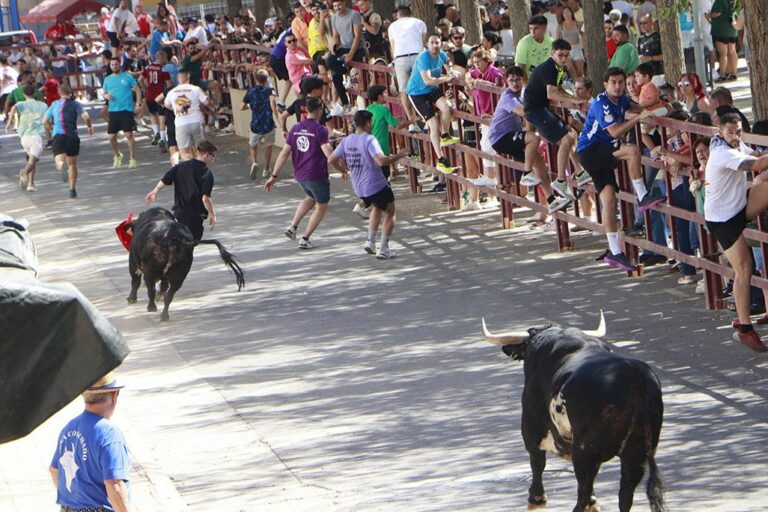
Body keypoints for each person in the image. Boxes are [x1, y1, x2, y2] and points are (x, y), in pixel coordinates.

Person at [575, 67, 664, 272]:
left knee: (609, 199)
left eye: (620, 82)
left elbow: (637, 106)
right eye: (613, 83)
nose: (617, 86)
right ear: (605, 85)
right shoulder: (601, 103)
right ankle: (642, 196)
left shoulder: (621, 99)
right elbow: (615, 131)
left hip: (598, 151)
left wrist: (658, 103)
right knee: (632, 150)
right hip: (591, 150)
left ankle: (615, 252)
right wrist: (636, 119)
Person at [703, 113, 768, 351]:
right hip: (723, 220)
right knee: (745, 269)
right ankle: (745, 328)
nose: (735, 136)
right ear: (720, 131)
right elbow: (757, 165)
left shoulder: (735, 144)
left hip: (739, 205)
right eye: (730, 132)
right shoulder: (722, 153)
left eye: (738, 131)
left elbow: (757, 157)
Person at [488, 66, 569, 214]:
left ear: (523, 80)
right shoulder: (508, 97)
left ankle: (551, 200)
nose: (515, 83)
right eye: (511, 80)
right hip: (500, 137)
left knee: (539, 162)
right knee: (533, 137)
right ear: (506, 81)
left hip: (513, 135)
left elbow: (530, 117)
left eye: (518, 80)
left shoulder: (524, 94)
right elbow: (524, 112)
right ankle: (526, 173)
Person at [329, 109, 409, 258]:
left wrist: (343, 170)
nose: (371, 125)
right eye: (371, 122)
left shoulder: (346, 140)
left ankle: (370, 242)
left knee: (378, 207)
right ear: (367, 123)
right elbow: (381, 161)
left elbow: (331, 159)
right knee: (391, 211)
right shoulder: (369, 139)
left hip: (359, 187)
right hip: (376, 183)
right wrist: (399, 155)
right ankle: (383, 249)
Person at [50, 372, 131, 512]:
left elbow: (54, 470)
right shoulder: (110, 434)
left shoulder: (69, 427)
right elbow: (114, 483)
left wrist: (76, 501)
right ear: (113, 396)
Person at [524, 39, 591, 202]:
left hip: (542, 108)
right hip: (536, 110)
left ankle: (580, 172)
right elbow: (551, 94)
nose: (563, 59)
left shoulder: (558, 68)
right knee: (566, 139)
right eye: (560, 55)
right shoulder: (549, 68)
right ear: (552, 53)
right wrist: (575, 101)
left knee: (572, 135)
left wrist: (572, 98)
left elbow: (559, 90)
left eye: (566, 56)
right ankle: (561, 180)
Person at [264, 97, 335, 250]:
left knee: (311, 197)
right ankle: (305, 238)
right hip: (317, 174)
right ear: (319, 111)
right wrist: (342, 168)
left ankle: (293, 226)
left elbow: (284, 153)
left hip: (300, 175)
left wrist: (274, 176)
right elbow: (329, 154)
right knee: (321, 206)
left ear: (306, 110)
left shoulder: (295, 128)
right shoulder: (321, 129)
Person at [406, 33, 460, 173]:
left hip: (431, 90)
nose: (435, 45)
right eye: (432, 43)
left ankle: (445, 135)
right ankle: (441, 160)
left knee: (447, 106)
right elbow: (427, 80)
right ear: (427, 44)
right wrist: (446, 78)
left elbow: (448, 63)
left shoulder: (442, 54)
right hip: (417, 92)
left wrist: (451, 71)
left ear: (440, 44)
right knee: (433, 124)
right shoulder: (423, 57)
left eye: (437, 42)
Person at [145, 140, 218, 241]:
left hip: (179, 215)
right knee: (191, 243)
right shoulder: (206, 173)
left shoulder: (180, 167)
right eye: (213, 155)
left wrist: (155, 191)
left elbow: (165, 180)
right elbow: (205, 199)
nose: (213, 158)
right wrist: (213, 215)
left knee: (177, 242)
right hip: (194, 218)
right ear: (206, 155)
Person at [43, 83, 94, 198]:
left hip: (59, 135)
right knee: (73, 164)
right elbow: (86, 116)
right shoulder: (75, 104)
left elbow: (44, 121)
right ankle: (72, 189)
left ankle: (62, 166)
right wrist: (89, 127)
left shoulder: (54, 104)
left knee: (59, 161)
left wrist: (51, 129)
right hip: (72, 136)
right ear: (70, 92)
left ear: (59, 92)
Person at [388, 5, 426, 133]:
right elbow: (422, 40)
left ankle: (412, 122)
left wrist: (394, 60)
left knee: (403, 90)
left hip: (400, 58)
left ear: (398, 14)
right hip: (417, 56)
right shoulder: (419, 23)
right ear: (410, 13)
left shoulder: (392, 26)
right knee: (422, 86)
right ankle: (425, 118)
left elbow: (392, 46)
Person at [5, 85, 48, 192]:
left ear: (24, 94)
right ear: (35, 93)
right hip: (36, 136)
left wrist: (9, 123)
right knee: (33, 159)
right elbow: (46, 121)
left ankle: (30, 184)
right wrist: (51, 133)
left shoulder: (21, 104)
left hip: (24, 137)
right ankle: (25, 172)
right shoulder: (43, 105)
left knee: (31, 160)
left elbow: (13, 108)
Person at [163, 69, 211, 161]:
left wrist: (175, 109)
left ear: (178, 79)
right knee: (200, 149)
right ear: (188, 78)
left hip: (181, 123)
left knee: (184, 152)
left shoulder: (172, 92)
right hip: (196, 121)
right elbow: (206, 102)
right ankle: (200, 166)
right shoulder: (196, 89)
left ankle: (189, 165)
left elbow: (166, 104)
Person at [102, 57, 141, 168]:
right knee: (111, 137)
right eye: (112, 65)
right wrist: (106, 95)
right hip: (113, 110)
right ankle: (118, 155)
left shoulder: (127, 77)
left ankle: (132, 159)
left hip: (126, 109)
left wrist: (137, 104)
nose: (114, 66)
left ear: (120, 65)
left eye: (116, 64)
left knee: (128, 134)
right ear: (110, 66)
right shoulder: (107, 79)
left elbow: (137, 89)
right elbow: (104, 92)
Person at [241, 69, 278, 180]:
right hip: (268, 124)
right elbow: (273, 102)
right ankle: (266, 169)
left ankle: (254, 162)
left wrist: (250, 105)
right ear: (266, 79)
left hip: (255, 124)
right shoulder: (270, 91)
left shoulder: (250, 91)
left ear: (255, 79)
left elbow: (241, 107)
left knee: (253, 146)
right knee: (268, 146)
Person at [327, 0, 363, 111]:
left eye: (339, 5)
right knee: (331, 63)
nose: (337, 8)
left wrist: (351, 54)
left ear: (343, 4)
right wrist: (334, 48)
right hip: (343, 47)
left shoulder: (354, 14)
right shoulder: (334, 18)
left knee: (343, 71)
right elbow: (336, 36)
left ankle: (350, 76)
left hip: (357, 47)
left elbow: (357, 36)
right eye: (335, 6)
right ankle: (345, 102)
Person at [140, 50, 172, 147]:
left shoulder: (147, 67)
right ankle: (162, 138)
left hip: (150, 95)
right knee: (162, 116)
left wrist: (145, 89)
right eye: (165, 58)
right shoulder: (163, 69)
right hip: (160, 96)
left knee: (152, 114)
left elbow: (140, 79)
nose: (166, 60)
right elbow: (169, 84)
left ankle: (156, 132)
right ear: (161, 58)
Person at [706, 0, 738, 81]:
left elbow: (717, 13)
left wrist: (708, 16)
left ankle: (722, 75)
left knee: (723, 53)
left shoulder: (720, 1)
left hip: (721, 30)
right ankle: (733, 73)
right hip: (732, 30)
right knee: (732, 51)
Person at [556, 6, 584, 78]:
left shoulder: (578, 23)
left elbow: (584, 36)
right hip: (566, 50)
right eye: (564, 13)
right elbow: (557, 40)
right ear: (562, 15)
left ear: (571, 13)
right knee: (571, 70)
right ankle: (575, 84)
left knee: (580, 72)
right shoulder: (560, 26)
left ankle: (580, 83)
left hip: (577, 48)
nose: (566, 14)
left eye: (568, 12)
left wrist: (586, 49)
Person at [637, 14, 664, 84]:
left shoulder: (659, 37)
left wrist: (651, 58)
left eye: (645, 23)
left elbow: (666, 56)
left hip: (657, 73)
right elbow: (639, 55)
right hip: (645, 75)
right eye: (640, 23)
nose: (642, 25)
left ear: (652, 22)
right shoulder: (641, 39)